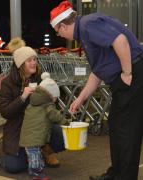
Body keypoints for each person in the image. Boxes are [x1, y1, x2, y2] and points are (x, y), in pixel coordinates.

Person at [50, 1, 143, 180]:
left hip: (131, 76)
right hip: (126, 78)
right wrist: (81, 98)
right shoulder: (85, 30)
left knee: (126, 130)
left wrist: (127, 73)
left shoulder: (87, 25)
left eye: (58, 31)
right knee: (116, 126)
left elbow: (120, 40)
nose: (59, 35)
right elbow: (98, 71)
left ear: (62, 25)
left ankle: (124, 176)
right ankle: (116, 173)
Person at [0, 37, 65, 173]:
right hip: (18, 128)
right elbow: (5, 112)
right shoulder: (8, 83)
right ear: (20, 64)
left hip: (40, 124)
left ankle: (45, 149)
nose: (34, 63)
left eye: (35, 59)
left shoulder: (41, 77)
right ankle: (32, 153)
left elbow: (53, 103)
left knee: (62, 134)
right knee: (14, 167)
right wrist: (22, 97)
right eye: (29, 60)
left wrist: (52, 97)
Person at [19, 72, 71, 180]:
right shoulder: (47, 105)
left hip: (29, 136)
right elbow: (55, 116)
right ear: (50, 95)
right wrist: (66, 122)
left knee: (34, 155)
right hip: (34, 138)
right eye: (55, 98)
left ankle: (35, 170)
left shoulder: (34, 101)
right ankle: (36, 175)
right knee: (35, 157)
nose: (55, 100)